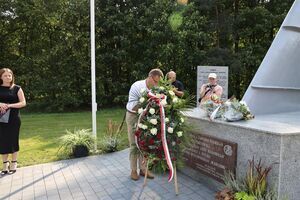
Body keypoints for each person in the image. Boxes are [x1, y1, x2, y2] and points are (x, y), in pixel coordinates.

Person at [126, 68, 164, 180]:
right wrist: (153, 98)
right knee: (134, 144)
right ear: (150, 77)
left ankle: (143, 169)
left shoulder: (154, 88)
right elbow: (138, 106)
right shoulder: (137, 86)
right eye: (156, 81)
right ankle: (133, 170)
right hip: (133, 116)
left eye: (158, 82)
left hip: (145, 117)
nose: (157, 84)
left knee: (144, 143)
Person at [0, 68, 26, 175]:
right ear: (1, 77)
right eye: (5, 75)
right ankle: (5, 164)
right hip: (1, 119)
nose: (8, 77)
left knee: (13, 139)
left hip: (14, 119)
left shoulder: (17, 88)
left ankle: (14, 162)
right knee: (2, 141)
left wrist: (9, 105)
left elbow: (23, 103)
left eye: (9, 75)